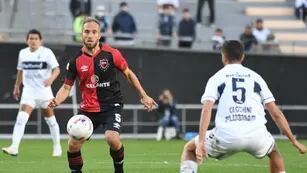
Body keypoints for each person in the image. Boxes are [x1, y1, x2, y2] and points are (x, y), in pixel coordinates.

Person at [179, 40, 307, 173]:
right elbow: (276, 113)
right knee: (274, 152)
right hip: (256, 135)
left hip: (227, 136)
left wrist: (200, 142)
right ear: (243, 56)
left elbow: (206, 109)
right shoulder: (256, 77)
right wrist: (294, 141)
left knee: (189, 149)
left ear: (223, 57)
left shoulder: (216, 78)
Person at [48, 17, 156, 173]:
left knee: (112, 138)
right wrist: (56, 100)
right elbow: (66, 87)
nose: (90, 35)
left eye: (94, 32)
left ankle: (119, 170)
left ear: (99, 35)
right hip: (88, 109)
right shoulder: (75, 61)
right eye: (86, 32)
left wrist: (143, 95)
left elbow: (128, 74)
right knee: (73, 145)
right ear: (82, 34)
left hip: (111, 105)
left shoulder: (112, 54)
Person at [2, 29, 62, 157]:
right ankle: (14, 147)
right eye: (31, 38)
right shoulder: (23, 53)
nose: (33, 41)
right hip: (29, 92)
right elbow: (20, 71)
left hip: (44, 92)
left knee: (50, 120)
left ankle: (57, 147)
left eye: (36, 39)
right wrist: (16, 86)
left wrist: (51, 79)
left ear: (40, 41)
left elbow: (57, 69)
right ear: (27, 40)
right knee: (21, 119)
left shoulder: (47, 52)